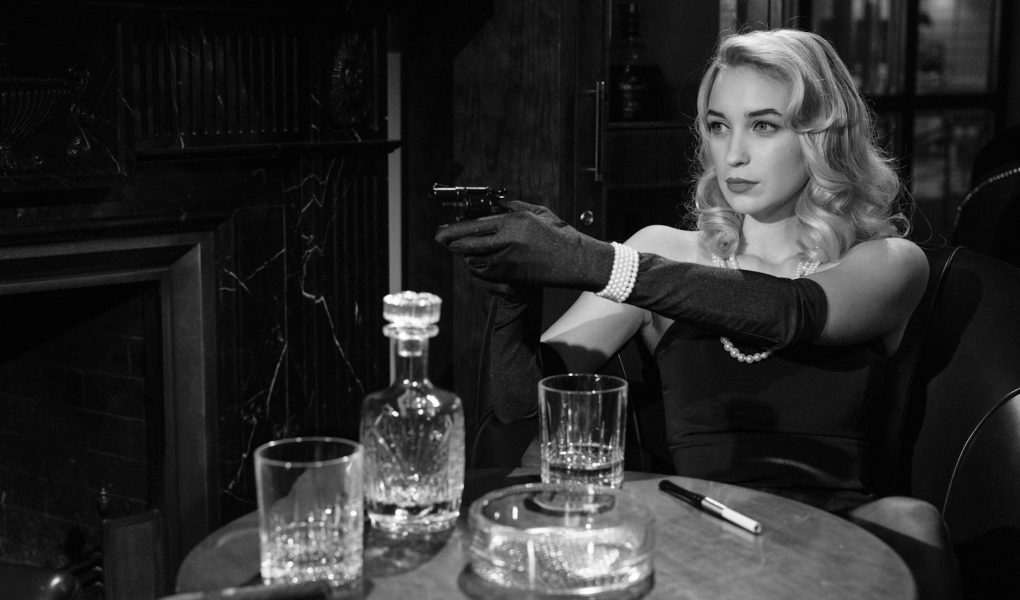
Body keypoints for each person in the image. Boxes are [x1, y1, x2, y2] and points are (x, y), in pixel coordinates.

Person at [437, 28, 960, 600]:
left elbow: (794, 311)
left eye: (764, 126)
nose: (733, 154)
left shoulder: (887, 262)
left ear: (822, 136)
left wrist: (594, 260)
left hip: (835, 545)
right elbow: (527, 409)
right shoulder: (665, 251)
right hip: (696, 537)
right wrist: (513, 298)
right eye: (717, 126)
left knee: (912, 520)